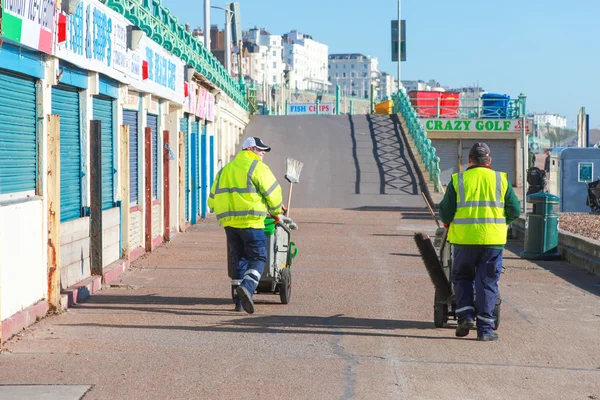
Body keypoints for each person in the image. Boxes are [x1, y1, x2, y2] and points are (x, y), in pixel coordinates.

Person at [439, 142, 521, 341]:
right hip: (492, 241)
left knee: (463, 278)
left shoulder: (459, 180)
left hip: (464, 240)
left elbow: (445, 212)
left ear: (469, 160)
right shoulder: (501, 180)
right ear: (489, 160)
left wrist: (450, 224)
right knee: (487, 282)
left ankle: (465, 317)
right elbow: (515, 211)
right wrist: (501, 224)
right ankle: (485, 330)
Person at [208, 137, 284, 314]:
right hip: (252, 223)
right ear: (250, 148)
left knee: (238, 260)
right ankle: (248, 288)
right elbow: (273, 193)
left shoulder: (225, 170)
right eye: (260, 149)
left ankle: (238, 303)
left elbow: (211, 200)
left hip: (230, 225)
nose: (262, 152)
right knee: (258, 258)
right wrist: (276, 211)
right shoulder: (257, 167)